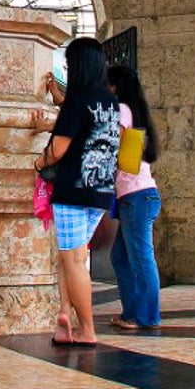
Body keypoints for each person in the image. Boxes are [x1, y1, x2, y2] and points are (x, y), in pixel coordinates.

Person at [36, 37, 119, 346]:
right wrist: (59, 97)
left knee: (72, 259)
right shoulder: (109, 102)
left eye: (69, 64)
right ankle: (64, 318)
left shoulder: (77, 100)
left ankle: (86, 329)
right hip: (100, 191)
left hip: (73, 190)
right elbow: (86, 123)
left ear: (78, 67)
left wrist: (39, 162)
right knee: (72, 256)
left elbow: (58, 149)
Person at [107, 64, 162, 333]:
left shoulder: (122, 110)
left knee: (141, 259)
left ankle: (146, 316)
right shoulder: (136, 112)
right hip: (141, 195)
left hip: (136, 196)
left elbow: (110, 143)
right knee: (120, 257)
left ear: (115, 86)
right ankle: (132, 311)